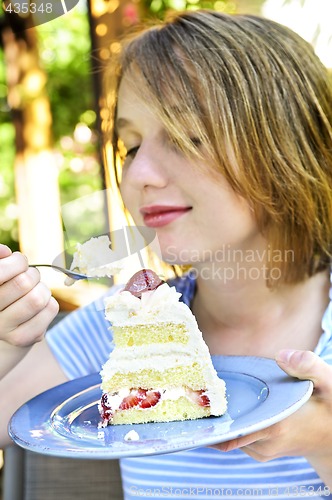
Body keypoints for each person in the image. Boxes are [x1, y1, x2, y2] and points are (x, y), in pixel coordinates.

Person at [1, 9, 332, 498]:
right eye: (130, 147)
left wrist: (325, 443)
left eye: (184, 137)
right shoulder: (125, 329)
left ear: (285, 143)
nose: (139, 177)